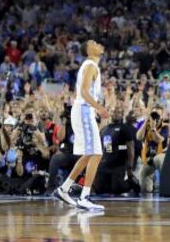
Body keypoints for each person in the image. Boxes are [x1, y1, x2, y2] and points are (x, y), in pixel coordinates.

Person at [54, 40, 109, 210]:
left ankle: (64, 189)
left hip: (83, 111)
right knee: (96, 153)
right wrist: (99, 108)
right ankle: (84, 197)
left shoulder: (91, 65)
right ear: (88, 50)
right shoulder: (91, 64)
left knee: (88, 154)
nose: (98, 43)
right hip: (84, 111)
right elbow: (84, 92)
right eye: (93, 42)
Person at [94, 103, 139, 195]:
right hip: (105, 164)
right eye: (114, 111)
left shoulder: (125, 128)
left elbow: (131, 148)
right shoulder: (104, 129)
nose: (116, 113)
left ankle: (133, 184)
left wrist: (129, 167)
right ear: (110, 113)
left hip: (118, 165)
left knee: (116, 189)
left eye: (119, 112)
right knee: (98, 189)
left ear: (122, 114)